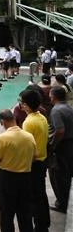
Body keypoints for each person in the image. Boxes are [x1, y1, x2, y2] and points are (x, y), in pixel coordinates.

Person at [0, 109, 36, 232]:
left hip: (7, 179)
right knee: (25, 214)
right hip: (25, 178)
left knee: (6, 214)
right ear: (14, 118)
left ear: (2, 122)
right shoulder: (29, 136)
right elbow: (34, 157)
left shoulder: (2, 138)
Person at [19, 88, 50, 231]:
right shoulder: (41, 117)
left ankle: (38, 226)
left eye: (21, 102)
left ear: (26, 104)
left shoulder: (29, 122)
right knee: (40, 196)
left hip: (34, 164)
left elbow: (28, 147)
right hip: (42, 161)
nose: (20, 105)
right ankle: (43, 224)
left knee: (32, 198)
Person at [47, 85, 73, 214]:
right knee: (66, 173)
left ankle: (62, 203)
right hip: (70, 144)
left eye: (51, 95)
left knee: (58, 175)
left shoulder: (56, 110)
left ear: (54, 97)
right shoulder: (68, 107)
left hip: (62, 146)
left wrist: (53, 145)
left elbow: (60, 130)